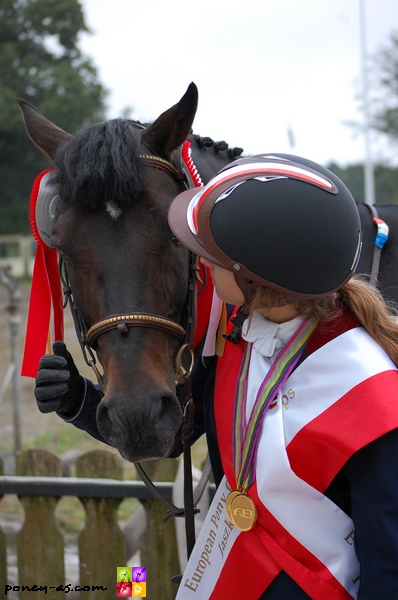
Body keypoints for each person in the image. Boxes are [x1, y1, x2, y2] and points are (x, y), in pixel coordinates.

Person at [34, 154, 398, 599]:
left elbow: (388, 558)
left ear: (254, 276)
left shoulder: (371, 392)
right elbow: (176, 431)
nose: (200, 264)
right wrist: (80, 401)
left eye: (211, 255)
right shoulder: (235, 345)